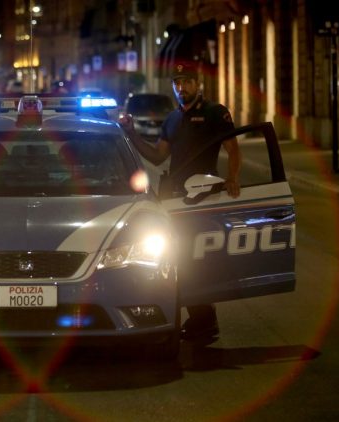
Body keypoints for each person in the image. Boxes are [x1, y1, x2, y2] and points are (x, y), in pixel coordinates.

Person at [118, 61, 241, 342]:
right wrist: (132, 133)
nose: (181, 87)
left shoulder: (215, 113)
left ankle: (205, 319)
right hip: (177, 198)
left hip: (205, 196)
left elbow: (233, 149)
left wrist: (233, 177)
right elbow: (159, 156)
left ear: (198, 85)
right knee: (179, 259)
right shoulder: (172, 119)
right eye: (177, 82)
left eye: (187, 82)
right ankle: (200, 319)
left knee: (198, 260)